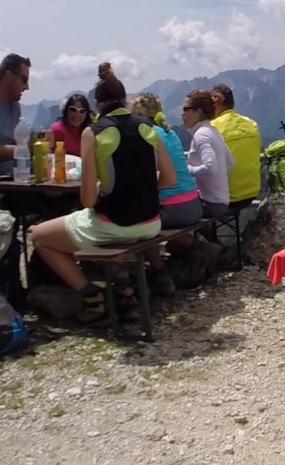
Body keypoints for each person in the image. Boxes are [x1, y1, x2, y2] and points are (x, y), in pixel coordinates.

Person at [28, 63, 175, 324]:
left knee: (39, 236)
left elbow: (87, 201)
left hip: (115, 225)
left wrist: (103, 188)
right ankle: (123, 289)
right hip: (151, 223)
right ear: (125, 100)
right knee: (101, 231)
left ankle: (91, 296)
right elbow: (169, 178)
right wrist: (139, 187)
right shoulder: (148, 128)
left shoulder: (92, 132)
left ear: (97, 104)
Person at [129, 93, 208, 296]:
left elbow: (149, 174)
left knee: (139, 223)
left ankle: (160, 274)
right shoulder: (168, 131)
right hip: (193, 203)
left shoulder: (147, 134)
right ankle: (201, 248)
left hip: (175, 207)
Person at [210, 83, 262, 210]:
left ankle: (206, 231)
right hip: (251, 193)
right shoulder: (252, 124)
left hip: (225, 198)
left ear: (216, 102)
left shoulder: (212, 127)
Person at [182, 89, 234, 219]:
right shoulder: (212, 130)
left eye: (186, 109)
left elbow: (210, 167)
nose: (182, 114)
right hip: (221, 201)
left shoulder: (201, 135)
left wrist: (188, 170)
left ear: (198, 112)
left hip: (209, 203)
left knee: (170, 208)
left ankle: (196, 241)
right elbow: (230, 163)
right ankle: (208, 240)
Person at [0, 53, 31, 177]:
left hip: (18, 176)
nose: (27, 87)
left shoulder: (15, 107)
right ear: (9, 77)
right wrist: (24, 150)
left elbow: (17, 142)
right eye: (24, 80)